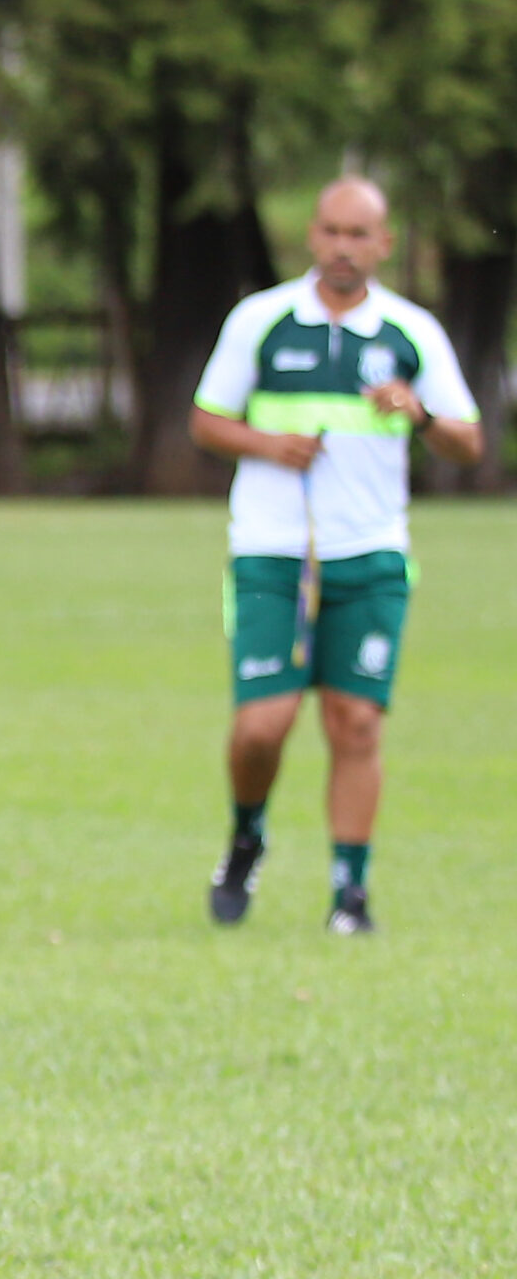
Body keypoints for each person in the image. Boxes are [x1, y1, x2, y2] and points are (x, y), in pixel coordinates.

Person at [191, 176, 481, 934]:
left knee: (356, 722)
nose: (343, 248)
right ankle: (246, 836)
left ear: (384, 244)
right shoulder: (262, 321)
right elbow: (205, 419)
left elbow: (468, 440)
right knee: (264, 724)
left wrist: (418, 413)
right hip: (273, 550)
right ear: (312, 237)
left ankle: (349, 896)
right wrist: (266, 444)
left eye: (360, 234)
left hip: (370, 552)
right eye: (331, 232)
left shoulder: (411, 333)